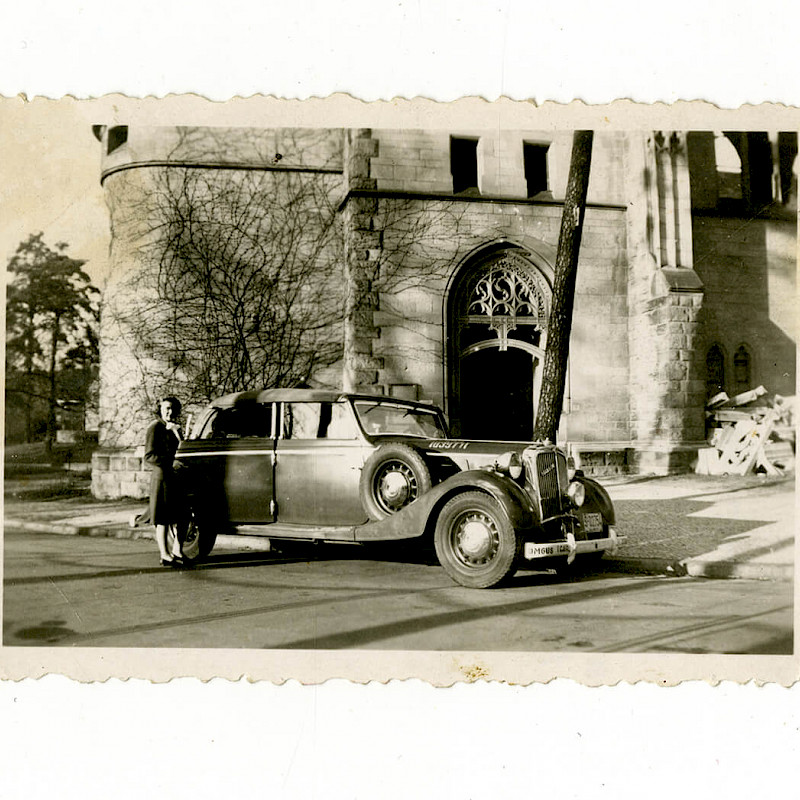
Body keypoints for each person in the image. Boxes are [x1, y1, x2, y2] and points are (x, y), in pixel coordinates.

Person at [144, 396, 186, 567]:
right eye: (166, 408)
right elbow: (149, 456)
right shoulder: (155, 428)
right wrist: (171, 462)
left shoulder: (175, 428)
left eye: (172, 409)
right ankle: (165, 554)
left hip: (176, 478)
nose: (169, 412)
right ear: (160, 409)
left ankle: (177, 550)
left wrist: (177, 433)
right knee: (163, 518)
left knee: (182, 516)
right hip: (162, 477)